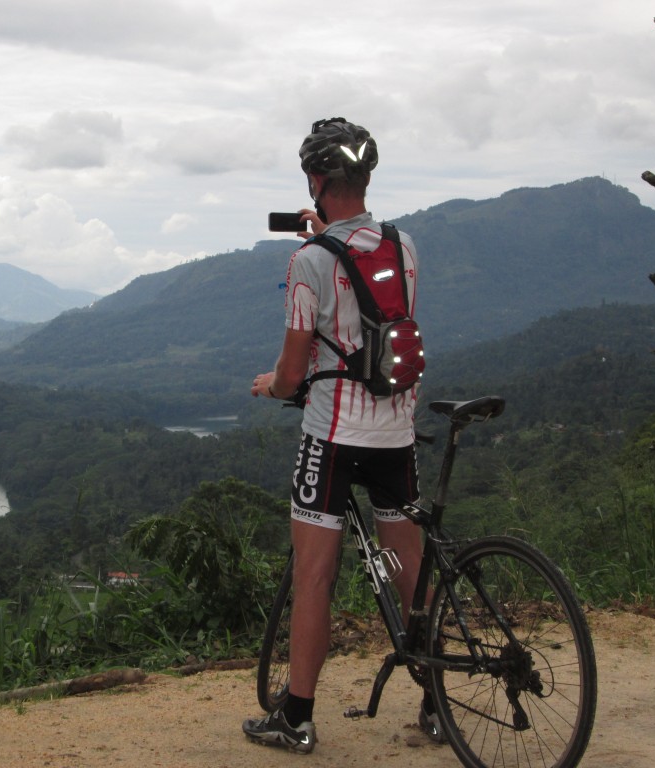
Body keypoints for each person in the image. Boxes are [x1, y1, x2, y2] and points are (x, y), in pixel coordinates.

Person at [243, 117, 435, 754]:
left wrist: (271, 384)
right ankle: (440, 700)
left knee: (315, 576)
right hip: (396, 430)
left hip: (332, 436)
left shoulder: (308, 262)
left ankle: (295, 717)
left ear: (315, 180)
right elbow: (371, 302)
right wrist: (331, 237)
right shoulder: (402, 247)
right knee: (409, 565)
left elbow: (296, 370)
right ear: (367, 177)